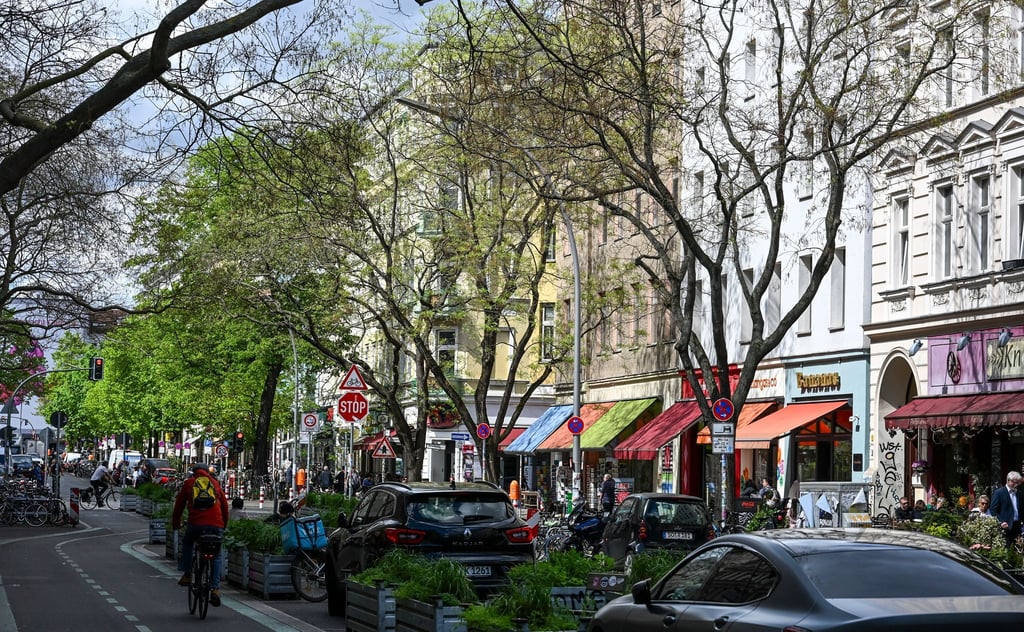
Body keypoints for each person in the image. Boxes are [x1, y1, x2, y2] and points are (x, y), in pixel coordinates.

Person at [171, 463, 229, 607]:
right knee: (216, 555)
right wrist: (223, 525)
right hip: (216, 525)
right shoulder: (215, 483)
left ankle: (188, 574)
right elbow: (225, 507)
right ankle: (215, 589)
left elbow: (179, 506)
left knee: (188, 542)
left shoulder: (189, 483)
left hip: (196, 524)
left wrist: (176, 524)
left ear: (194, 472)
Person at [989, 471, 1022, 547]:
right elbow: (993, 510)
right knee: (1006, 549)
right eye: (1014, 482)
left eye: (1017, 483)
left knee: (1017, 550)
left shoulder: (1019, 494)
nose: (1016, 485)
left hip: (1017, 526)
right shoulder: (999, 492)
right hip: (1005, 526)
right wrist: (1001, 522)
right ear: (1008, 480)